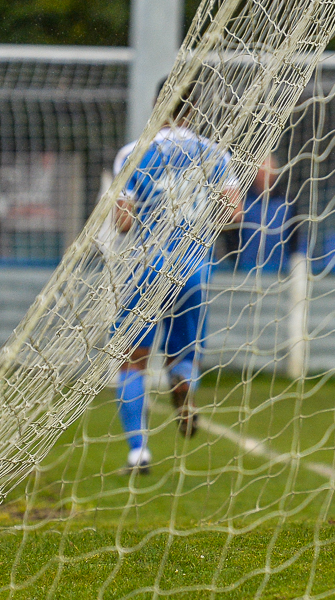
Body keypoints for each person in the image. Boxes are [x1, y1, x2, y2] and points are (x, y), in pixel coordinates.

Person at [110, 78, 243, 474]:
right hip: (193, 267)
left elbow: (122, 222)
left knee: (132, 359)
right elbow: (234, 213)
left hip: (146, 268)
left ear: (158, 107)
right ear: (195, 111)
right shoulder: (215, 154)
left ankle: (138, 452)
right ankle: (183, 384)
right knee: (183, 354)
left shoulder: (134, 153)